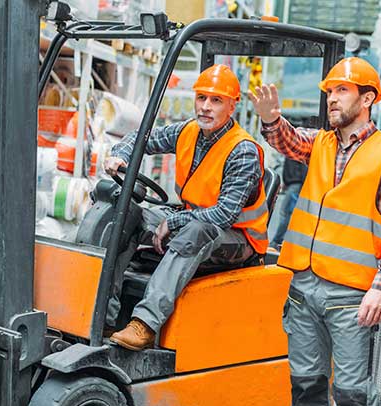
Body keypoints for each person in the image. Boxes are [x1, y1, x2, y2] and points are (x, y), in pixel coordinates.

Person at [248, 57, 381, 406]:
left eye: (341, 90)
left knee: (354, 394)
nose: (331, 98)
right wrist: (271, 120)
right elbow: (289, 141)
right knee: (305, 385)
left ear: (368, 98)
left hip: (351, 294)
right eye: (329, 91)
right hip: (304, 287)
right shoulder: (320, 143)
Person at [104, 64, 269, 351]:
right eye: (201, 98)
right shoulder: (188, 131)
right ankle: (104, 315)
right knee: (126, 213)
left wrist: (175, 223)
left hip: (238, 239)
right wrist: (120, 156)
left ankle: (145, 323)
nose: (205, 106)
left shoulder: (242, 150)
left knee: (195, 231)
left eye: (216, 100)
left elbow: (224, 215)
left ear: (232, 106)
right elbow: (141, 137)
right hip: (192, 220)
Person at [270, 157, 307, 251]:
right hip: (293, 184)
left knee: (286, 214)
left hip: (296, 184)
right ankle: (280, 241)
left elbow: (303, 168)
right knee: (287, 213)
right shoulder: (294, 151)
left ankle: (277, 241)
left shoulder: (298, 150)